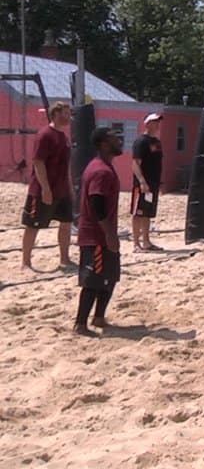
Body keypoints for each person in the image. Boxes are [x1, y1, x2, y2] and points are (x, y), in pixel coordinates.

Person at [73, 127, 125, 335]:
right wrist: (109, 234)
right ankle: (80, 324)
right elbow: (97, 203)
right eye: (114, 137)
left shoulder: (104, 167)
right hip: (95, 235)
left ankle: (99, 317)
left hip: (102, 235)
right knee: (93, 280)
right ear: (104, 144)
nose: (119, 140)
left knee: (110, 277)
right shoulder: (100, 171)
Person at [20, 101, 74, 271]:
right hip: (42, 190)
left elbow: (67, 165)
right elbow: (38, 162)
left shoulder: (64, 137)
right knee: (33, 225)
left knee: (66, 223)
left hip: (62, 190)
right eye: (66, 113)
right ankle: (25, 263)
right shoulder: (45, 135)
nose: (69, 116)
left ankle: (65, 259)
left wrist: (70, 187)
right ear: (56, 114)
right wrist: (45, 189)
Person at [130, 112, 164, 252]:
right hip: (142, 185)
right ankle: (136, 244)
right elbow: (135, 164)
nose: (157, 124)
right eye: (155, 121)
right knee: (137, 213)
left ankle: (147, 242)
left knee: (147, 213)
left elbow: (157, 163)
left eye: (158, 122)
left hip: (153, 184)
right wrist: (142, 182)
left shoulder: (156, 142)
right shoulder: (141, 141)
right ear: (147, 124)